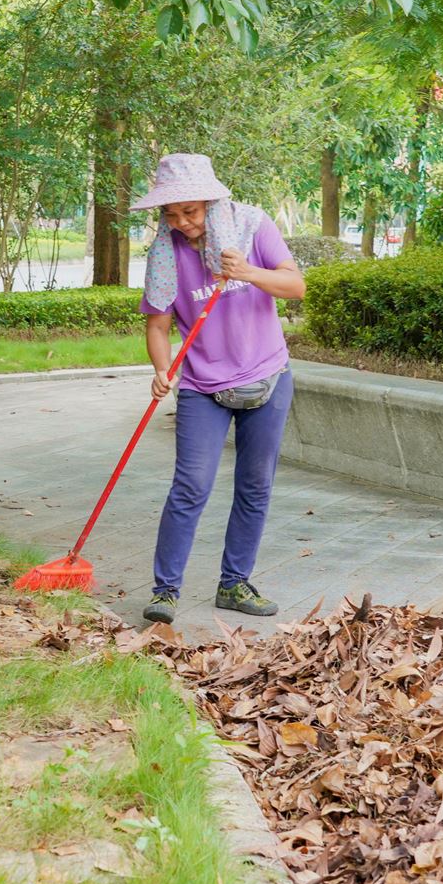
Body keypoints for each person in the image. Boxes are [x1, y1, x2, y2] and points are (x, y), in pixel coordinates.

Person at [134, 153, 306, 625]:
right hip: (202, 385)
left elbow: (295, 287)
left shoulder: (252, 226)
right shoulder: (165, 253)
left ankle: (234, 584)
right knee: (190, 486)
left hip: (268, 375)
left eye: (190, 211)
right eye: (171, 214)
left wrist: (248, 272)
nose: (182, 222)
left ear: (211, 201)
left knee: (255, 486)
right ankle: (165, 591)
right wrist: (162, 368)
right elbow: (158, 324)